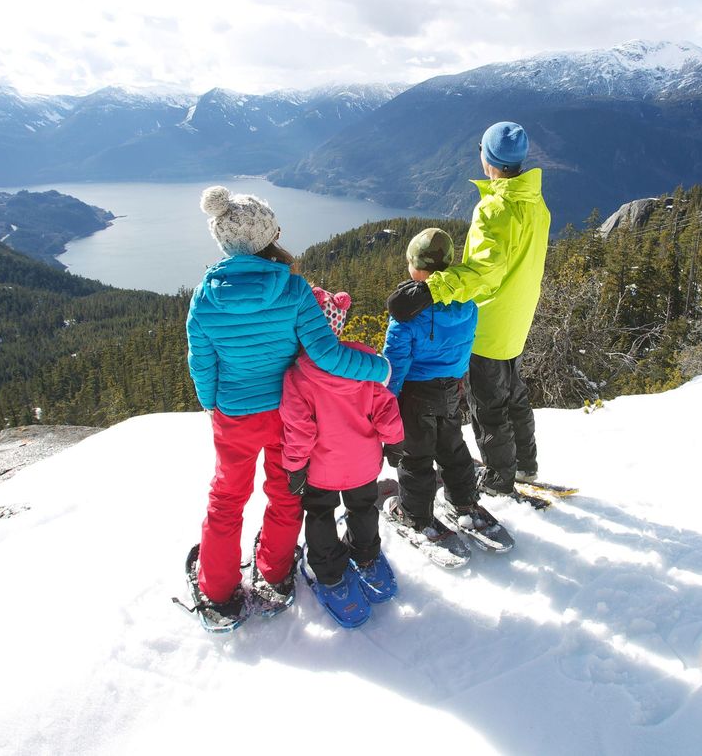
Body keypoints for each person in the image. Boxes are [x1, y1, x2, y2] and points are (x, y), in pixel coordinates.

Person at [186, 186, 390, 625]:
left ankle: (218, 591)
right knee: (284, 494)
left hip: (235, 414)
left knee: (227, 499)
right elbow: (327, 356)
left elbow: (202, 362)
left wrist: (210, 403)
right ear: (267, 237)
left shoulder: (205, 296)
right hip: (287, 413)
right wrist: (378, 370)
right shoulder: (295, 290)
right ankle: (273, 573)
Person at [387, 122, 551, 497]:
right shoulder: (534, 201)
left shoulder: (495, 208)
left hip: (490, 320)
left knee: (488, 404)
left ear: (487, 157)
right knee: (514, 393)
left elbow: (483, 269)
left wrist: (430, 290)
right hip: (518, 313)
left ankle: (498, 478)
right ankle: (525, 463)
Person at [280, 287, 405, 627]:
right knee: (362, 508)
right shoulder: (366, 365)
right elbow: (386, 408)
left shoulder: (298, 376)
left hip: (321, 469)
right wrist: (394, 442)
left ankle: (330, 574)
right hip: (364, 465)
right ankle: (366, 557)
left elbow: (298, 430)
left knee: (321, 514)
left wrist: (294, 467)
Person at [381, 227, 486, 535]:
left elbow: (395, 364)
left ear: (415, 267)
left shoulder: (407, 316)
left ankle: (415, 515)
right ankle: (464, 502)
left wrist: (387, 399)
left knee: (416, 458)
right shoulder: (468, 304)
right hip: (452, 388)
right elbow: (465, 345)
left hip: (415, 394)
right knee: (453, 448)